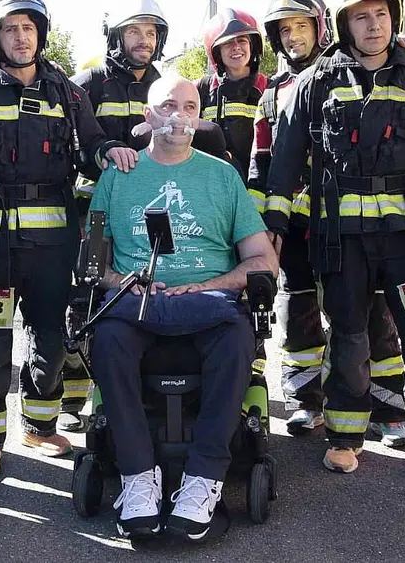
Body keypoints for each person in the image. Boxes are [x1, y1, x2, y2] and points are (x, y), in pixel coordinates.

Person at [265, 0, 405, 492]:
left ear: (395, 18)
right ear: (342, 25)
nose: (373, 25)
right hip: (341, 243)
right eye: (361, 17)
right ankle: (344, 439)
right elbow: (288, 156)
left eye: (381, 14)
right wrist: (272, 225)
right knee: (350, 338)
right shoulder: (315, 81)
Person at [0, 0, 136, 479]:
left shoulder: (67, 91)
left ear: (40, 33)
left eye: (28, 27)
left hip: (53, 244)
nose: (20, 37)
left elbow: (89, 144)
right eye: (10, 28)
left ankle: (40, 427)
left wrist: (109, 151)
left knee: (50, 336)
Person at [88, 74, 278, 541]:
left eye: (189, 106)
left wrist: (210, 285)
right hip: (136, 300)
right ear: (147, 116)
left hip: (209, 303)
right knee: (108, 339)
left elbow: (263, 260)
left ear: (200, 115)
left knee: (237, 339)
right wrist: (123, 283)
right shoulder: (118, 176)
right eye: (168, 105)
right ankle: (137, 477)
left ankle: (204, 479)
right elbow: (93, 259)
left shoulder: (223, 175)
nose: (179, 115)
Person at [249, 0, 405, 447]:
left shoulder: (347, 72)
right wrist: (267, 224)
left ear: (321, 26)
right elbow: (264, 162)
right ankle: (307, 401)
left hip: (347, 221)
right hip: (296, 227)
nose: (294, 37)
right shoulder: (274, 92)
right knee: (297, 311)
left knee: (371, 313)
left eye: (301, 26)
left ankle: (387, 407)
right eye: (285, 31)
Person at [66, 0, 227, 431]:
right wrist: (105, 154)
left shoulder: (166, 84)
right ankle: (75, 398)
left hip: (153, 212)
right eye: (134, 31)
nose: (143, 40)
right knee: (86, 300)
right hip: (96, 206)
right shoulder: (87, 83)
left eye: (151, 32)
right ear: (116, 37)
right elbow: (74, 144)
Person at [196, 8, 269, 185]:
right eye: (228, 43)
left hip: (257, 187)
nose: (236, 47)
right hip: (210, 186)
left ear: (253, 45)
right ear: (216, 53)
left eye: (242, 40)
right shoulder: (200, 90)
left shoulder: (270, 89)